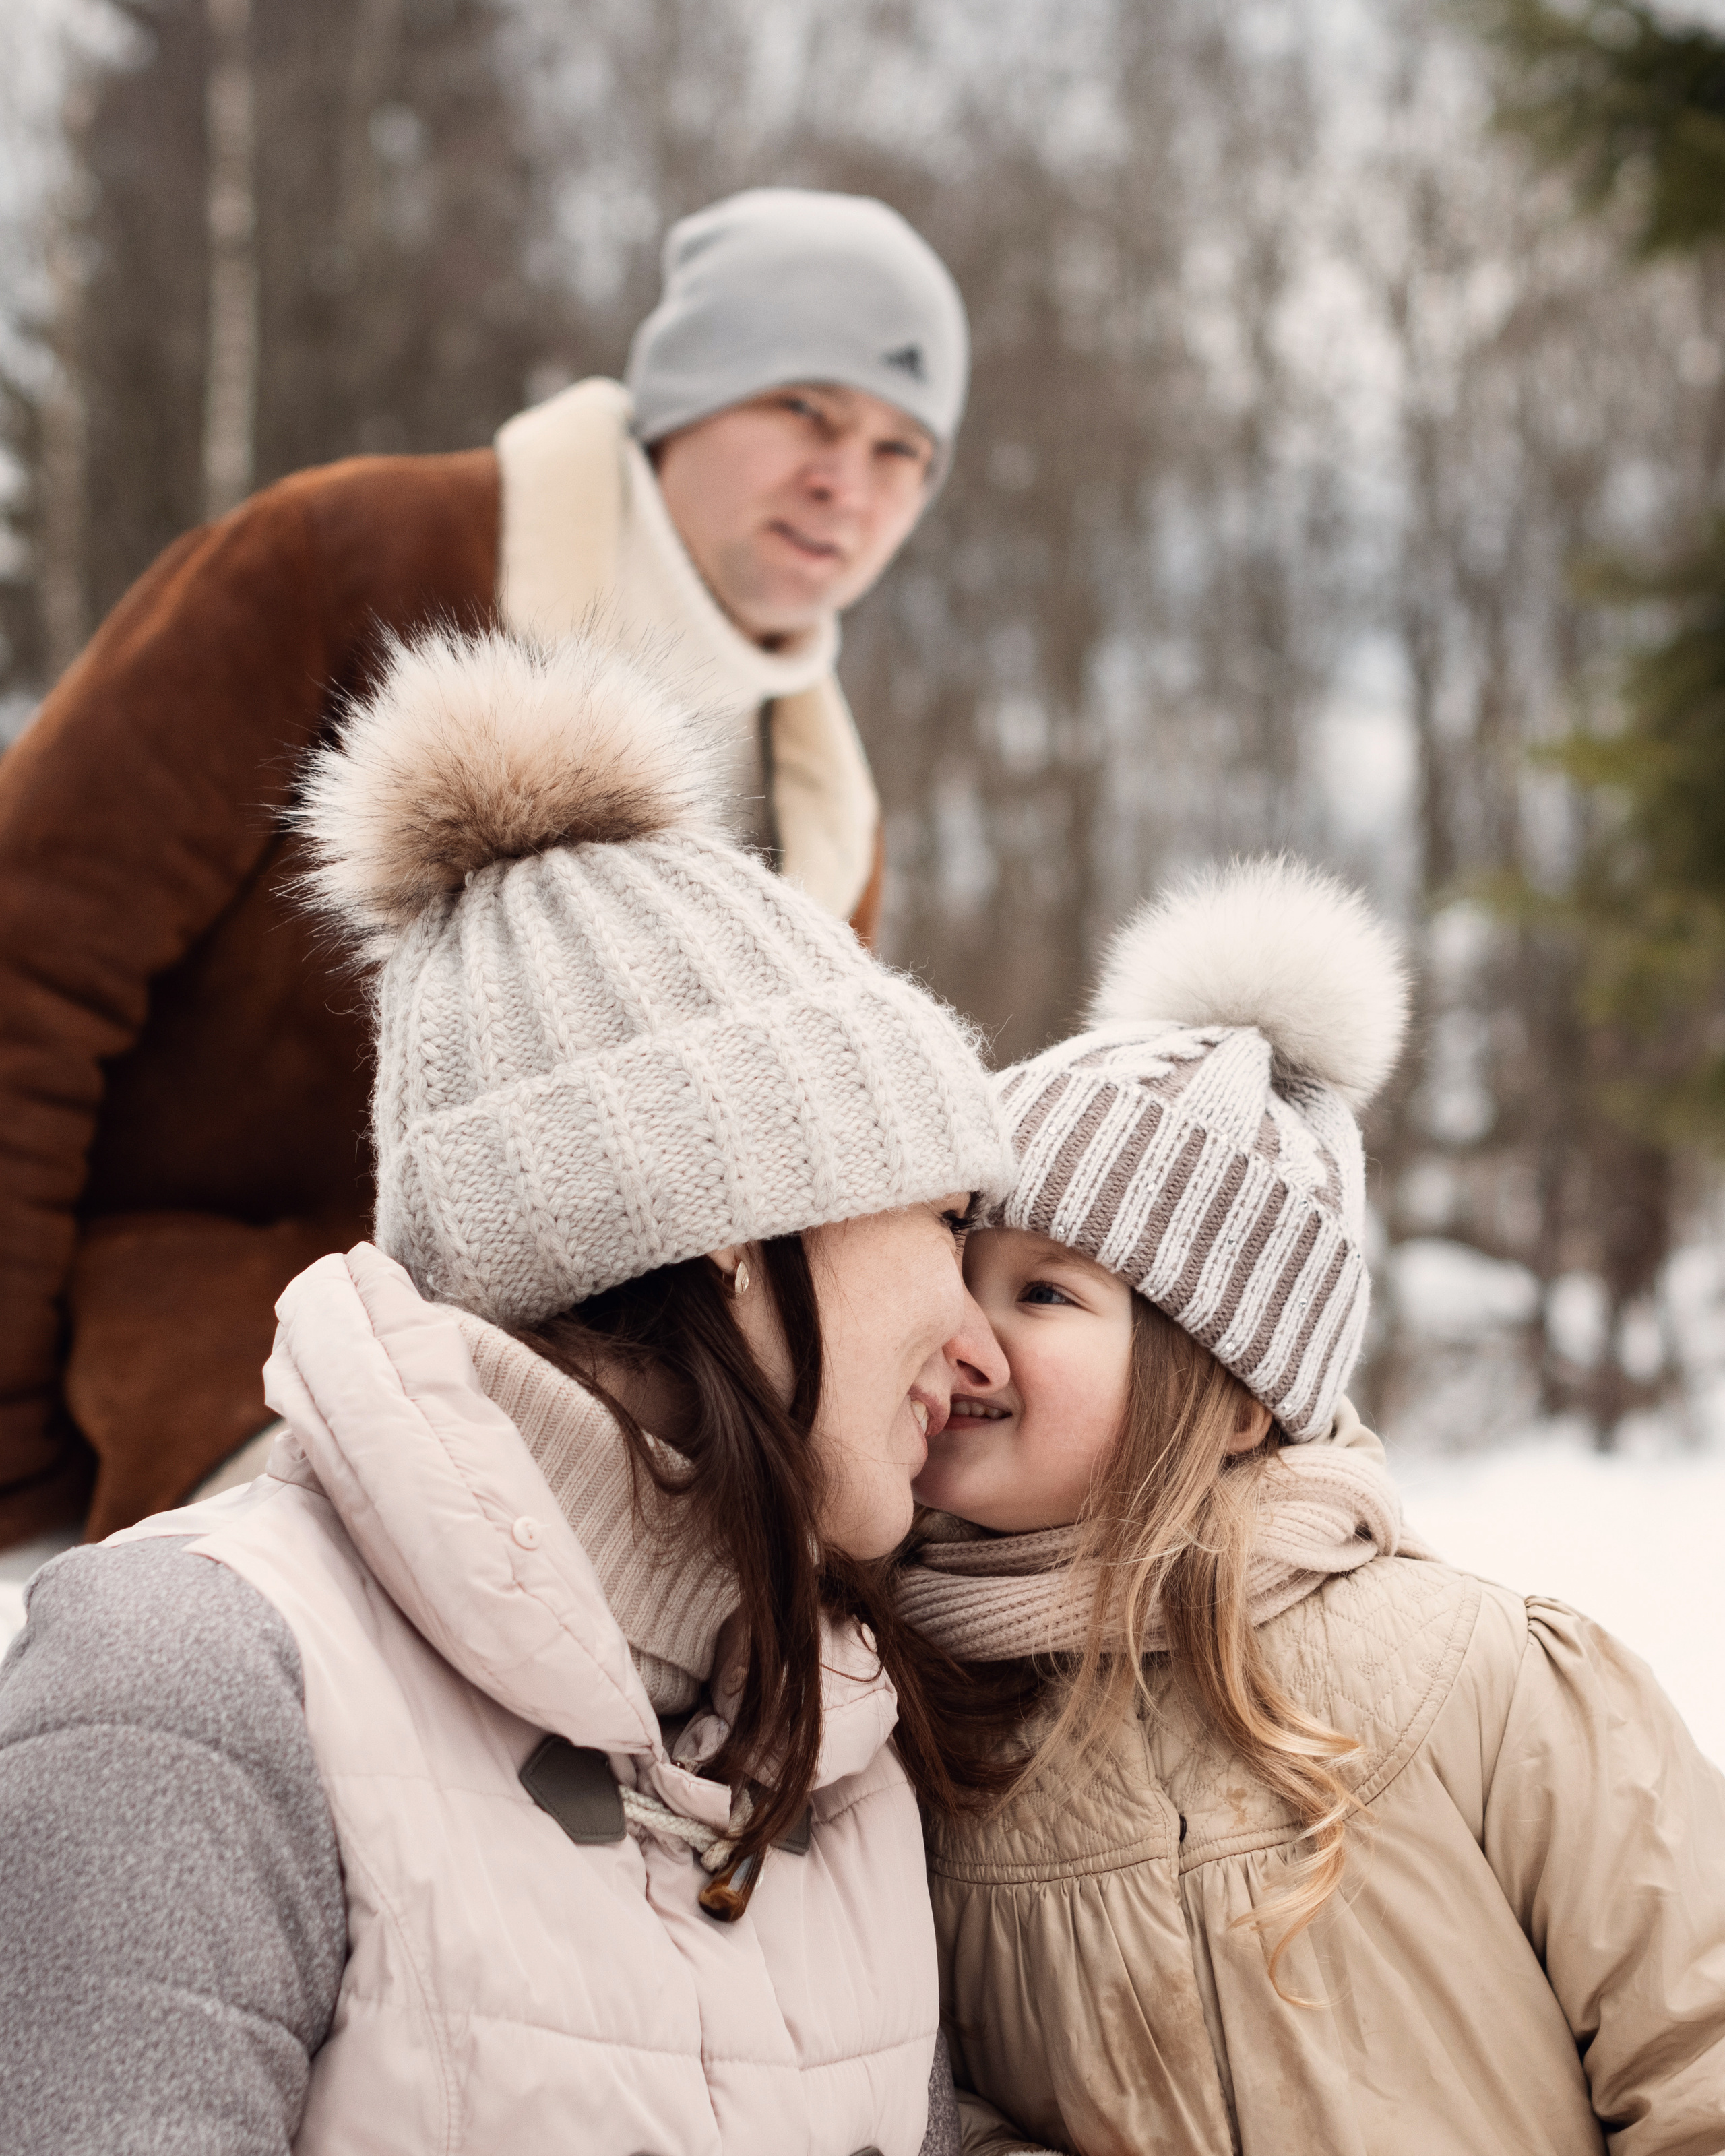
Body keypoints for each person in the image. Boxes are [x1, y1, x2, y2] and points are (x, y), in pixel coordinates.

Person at [0, 625, 1011, 2153]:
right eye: (943, 1220)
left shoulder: (845, 1756)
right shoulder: (194, 1684)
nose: (980, 1342)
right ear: (729, 1220)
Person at [0, 185, 969, 1544]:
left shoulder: (823, 821)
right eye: (803, 409)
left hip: (602, 1442)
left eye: (900, 449)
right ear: (683, 399)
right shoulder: (343, 562)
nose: (846, 482)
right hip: (214, 1352)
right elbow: (29, 964)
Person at [898, 858, 1725, 2155]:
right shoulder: (918, 1725)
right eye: (957, 1275)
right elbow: (934, 2098)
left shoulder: (1474, 1677)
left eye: (1044, 1294)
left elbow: (1698, 2046)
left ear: (1235, 1396)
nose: (963, 1335)